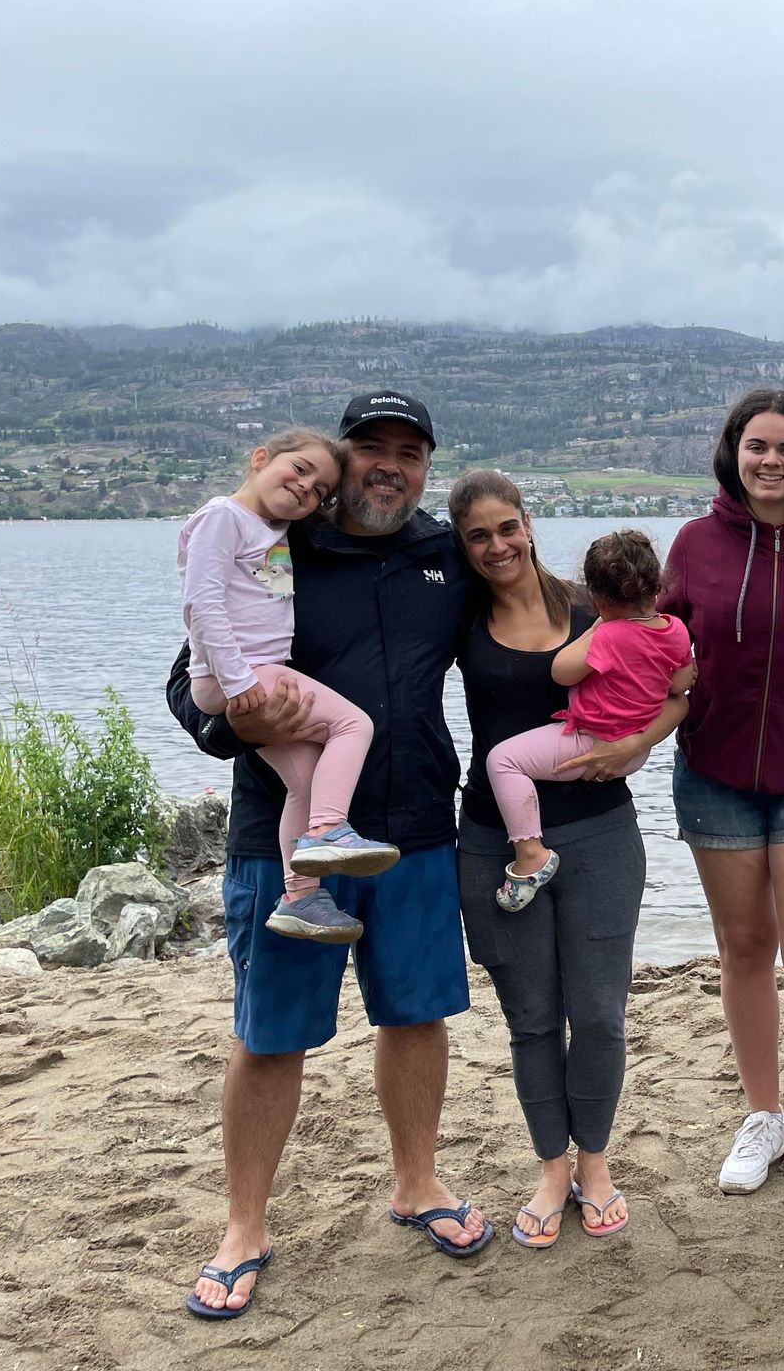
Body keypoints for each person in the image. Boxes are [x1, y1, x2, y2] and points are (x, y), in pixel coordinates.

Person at [168, 390, 492, 1321]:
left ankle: (417, 1183)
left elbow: (526, 633)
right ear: (340, 459)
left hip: (413, 827)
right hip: (283, 836)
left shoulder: (447, 556)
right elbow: (188, 674)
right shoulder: (279, 540)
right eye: (371, 448)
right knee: (271, 1033)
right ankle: (244, 1226)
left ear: (426, 468)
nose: (390, 465)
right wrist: (228, 723)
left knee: (417, 1014)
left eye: (409, 452)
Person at [448, 473, 689, 1248]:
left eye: (507, 527)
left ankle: (595, 1162)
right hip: (495, 841)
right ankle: (552, 1169)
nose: (497, 546)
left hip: (601, 835)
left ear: (528, 524)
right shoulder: (460, 617)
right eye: (478, 535)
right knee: (530, 1020)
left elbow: (681, 694)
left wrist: (634, 745)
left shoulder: (596, 607)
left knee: (600, 1016)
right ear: (462, 544)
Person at [659, 386, 784, 1239]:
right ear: (733, 453)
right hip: (715, 771)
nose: (771, 461)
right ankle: (763, 1118)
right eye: (757, 447)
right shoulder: (694, 543)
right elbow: (659, 642)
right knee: (745, 948)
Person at [177, 426, 400, 946]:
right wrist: (238, 682)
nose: (306, 488)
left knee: (303, 782)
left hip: (253, 674)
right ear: (260, 458)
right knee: (354, 724)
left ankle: (300, 896)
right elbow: (201, 605)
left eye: (320, 490)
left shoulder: (272, 529)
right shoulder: (222, 517)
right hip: (246, 675)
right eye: (300, 469)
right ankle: (328, 829)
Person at [481, 529, 693, 914]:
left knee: (502, 761)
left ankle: (530, 854)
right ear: (656, 587)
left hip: (590, 742)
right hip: (636, 750)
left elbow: (561, 671)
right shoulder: (675, 629)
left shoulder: (609, 637)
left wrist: (596, 628)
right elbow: (679, 686)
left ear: (596, 597)